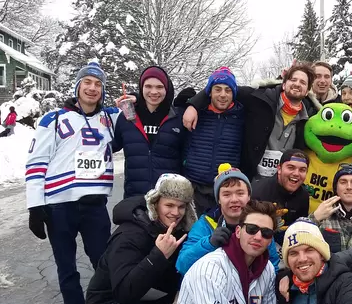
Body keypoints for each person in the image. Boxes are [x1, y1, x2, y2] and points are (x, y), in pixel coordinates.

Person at [25, 62, 121, 304]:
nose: (92, 88)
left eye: (98, 84)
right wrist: (34, 206)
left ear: (103, 90)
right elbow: (36, 162)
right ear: (78, 86)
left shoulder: (111, 119)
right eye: (87, 82)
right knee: (67, 267)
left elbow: (144, 106)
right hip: (60, 206)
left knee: (104, 264)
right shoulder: (53, 119)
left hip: (94, 206)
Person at [85, 173, 196, 304]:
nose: (176, 213)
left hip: (147, 293)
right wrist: (158, 255)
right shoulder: (129, 235)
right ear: (155, 203)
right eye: (169, 205)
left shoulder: (178, 230)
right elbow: (123, 292)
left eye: (181, 207)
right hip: (108, 301)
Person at [166, 200, 288, 304]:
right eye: (251, 229)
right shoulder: (210, 269)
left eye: (266, 233)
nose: (258, 236)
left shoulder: (267, 269)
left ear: (270, 240)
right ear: (238, 231)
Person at [184, 63, 316, 181]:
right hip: (250, 182)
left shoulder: (309, 119)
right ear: (283, 83)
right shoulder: (259, 98)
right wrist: (193, 105)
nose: (297, 84)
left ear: (307, 92)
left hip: (280, 186)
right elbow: (223, 89)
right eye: (293, 79)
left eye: (303, 82)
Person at [176, 163, 280, 275]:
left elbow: (273, 266)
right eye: (226, 194)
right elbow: (182, 265)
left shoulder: (261, 224)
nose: (234, 199)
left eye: (240, 193)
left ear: (249, 196)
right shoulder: (205, 225)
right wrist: (209, 243)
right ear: (218, 199)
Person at [113, 66, 187, 198]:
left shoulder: (178, 118)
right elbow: (109, 145)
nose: (154, 92)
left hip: (169, 199)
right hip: (135, 197)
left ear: (167, 88)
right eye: (148, 86)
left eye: (159, 87)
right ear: (141, 88)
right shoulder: (127, 117)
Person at [181, 67, 246, 215]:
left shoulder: (242, 115)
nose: (223, 95)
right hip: (194, 186)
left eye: (228, 90)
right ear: (209, 92)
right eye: (217, 89)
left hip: (226, 188)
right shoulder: (196, 113)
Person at [251, 149, 310, 246]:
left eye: (302, 170)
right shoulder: (259, 192)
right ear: (279, 169)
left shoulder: (304, 195)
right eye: (291, 167)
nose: (296, 173)